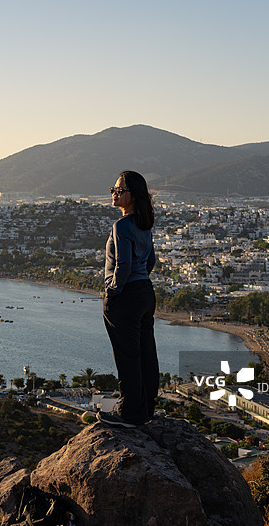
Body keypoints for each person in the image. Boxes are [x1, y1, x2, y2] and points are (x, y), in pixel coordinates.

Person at [97, 170, 159, 428]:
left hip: (125, 298)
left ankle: (129, 414)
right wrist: (140, 278)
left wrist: (112, 290)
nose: (114, 194)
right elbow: (151, 260)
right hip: (145, 293)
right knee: (146, 354)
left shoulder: (121, 226)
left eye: (119, 191)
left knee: (127, 356)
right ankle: (146, 409)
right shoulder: (144, 224)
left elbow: (122, 265)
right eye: (113, 190)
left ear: (133, 196)